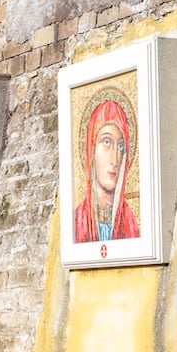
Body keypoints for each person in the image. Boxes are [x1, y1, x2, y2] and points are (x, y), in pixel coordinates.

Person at [73, 98, 140, 243]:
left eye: (121, 146)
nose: (114, 159)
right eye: (107, 142)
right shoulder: (77, 222)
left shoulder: (130, 224)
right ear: (91, 150)